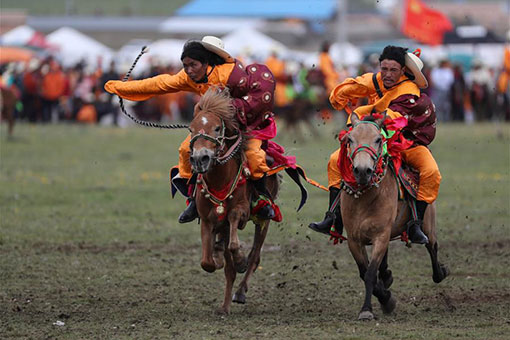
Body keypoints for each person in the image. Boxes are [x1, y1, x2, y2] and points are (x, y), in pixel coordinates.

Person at [105, 36, 288, 223]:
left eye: (193, 65)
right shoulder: (188, 77)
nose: (189, 70)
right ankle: (193, 200)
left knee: (255, 156)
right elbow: (159, 84)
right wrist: (121, 88)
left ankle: (262, 200)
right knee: (186, 150)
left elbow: (254, 99)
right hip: (211, 127)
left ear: (206, 62)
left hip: (246, 123)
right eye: (185, 65)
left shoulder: (230, 74)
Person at [309, 45, 440, 244]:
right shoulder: (378, 79)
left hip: (406, 144)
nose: (387, 74)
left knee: (431, 171)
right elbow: (351, 87)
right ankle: (333, 216)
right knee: (335, 159)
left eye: (393, 70)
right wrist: (339, 96)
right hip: (373, 140)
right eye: (384, 69)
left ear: (403, 71)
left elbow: (392, 120)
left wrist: (359, 117)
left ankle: (416, 224)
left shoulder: (409, 91)